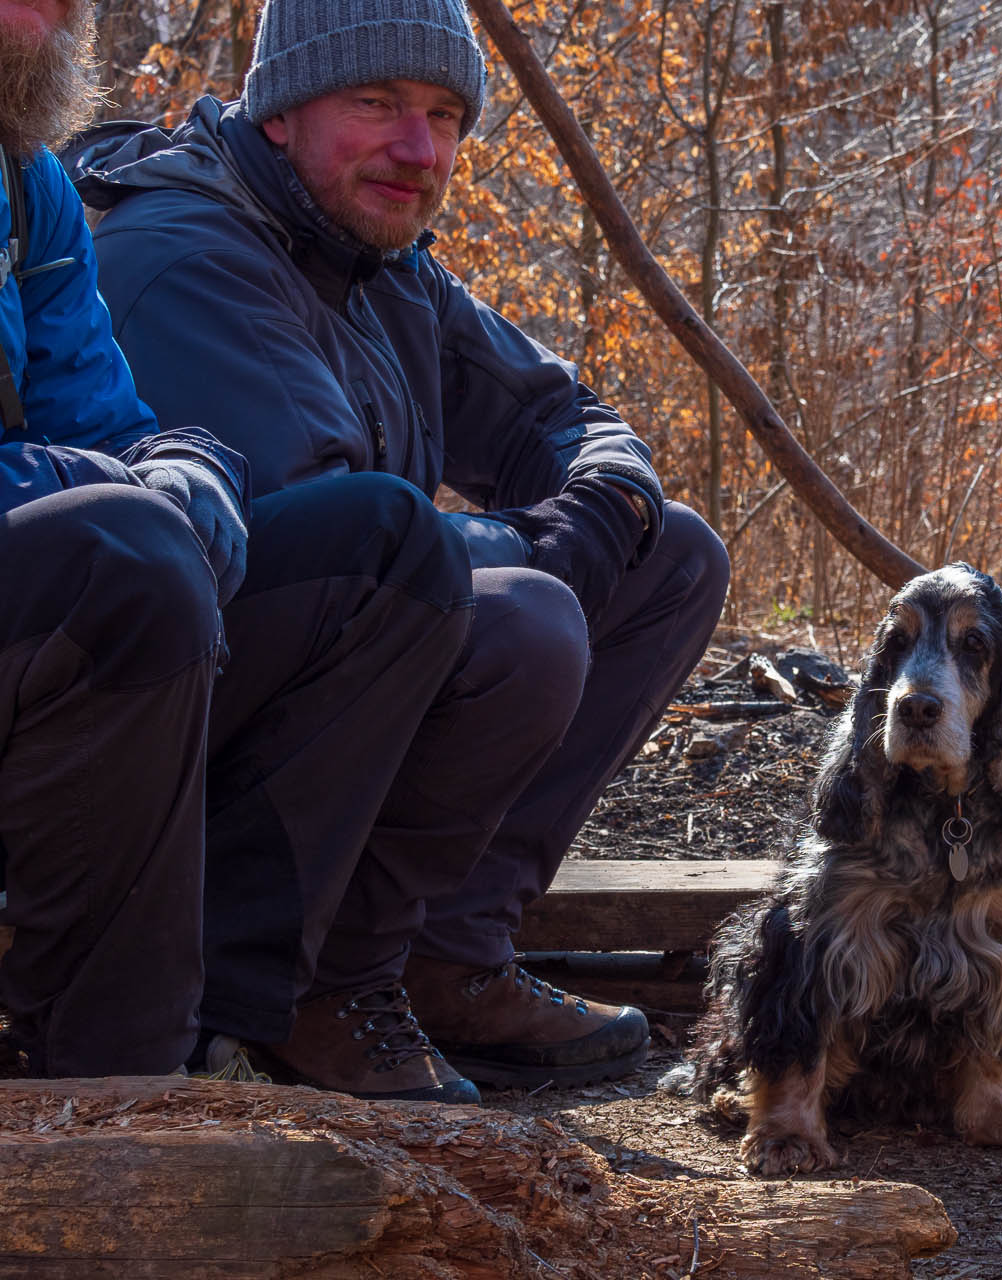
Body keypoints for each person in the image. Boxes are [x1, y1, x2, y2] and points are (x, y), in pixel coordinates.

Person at [68, 0, 730, 1097]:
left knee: (674, 555)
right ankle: (316, 984)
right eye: (374, 104)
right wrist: (544, 547)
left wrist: (605, 499)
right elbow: (348, 548)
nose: (418, 149)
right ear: (279, 112)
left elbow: (561, 414)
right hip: (182, 741)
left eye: (441, 114)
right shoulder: (183, 251)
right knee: (522, 617)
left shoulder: (377, 260)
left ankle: (448, 955)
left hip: (337, 659)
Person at [2, 0, 480, 1100]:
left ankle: (242, 1023)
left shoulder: (26, 185)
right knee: (125, 555)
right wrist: (128, 487)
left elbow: (103, 417)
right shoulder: (181, 237)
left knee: (386, 543)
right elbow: (100, 485)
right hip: (57, 582)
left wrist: (181, 457)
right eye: (375, 104)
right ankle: (112, 1079)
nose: (63, 11)